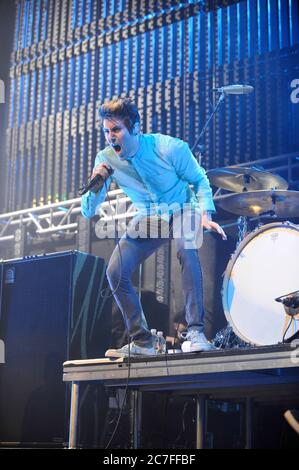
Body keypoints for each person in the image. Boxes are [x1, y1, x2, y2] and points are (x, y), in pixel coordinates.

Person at [81, 97, 227, 357]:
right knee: (115, 271)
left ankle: (195, 332)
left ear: (135, 128)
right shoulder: (105, 159)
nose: (110, 137)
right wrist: (97, 183)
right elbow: (88, 211)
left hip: (182, 207)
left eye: (116, 130)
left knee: (186, 247)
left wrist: (204, 213)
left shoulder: (169, 147)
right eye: (106, 131)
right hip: (150, 217)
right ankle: (142, 340)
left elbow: (199, 180)